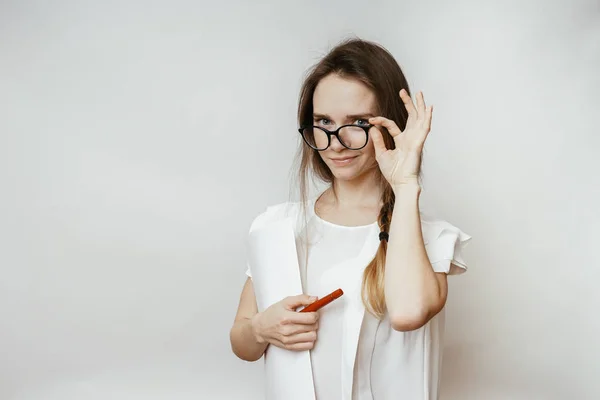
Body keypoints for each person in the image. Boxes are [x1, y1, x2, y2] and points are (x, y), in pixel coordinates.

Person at [229, 37, 471, 400]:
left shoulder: (429, 239)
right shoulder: (277, 228)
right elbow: (243, 341)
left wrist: (404, 185)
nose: (335, 142)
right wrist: (263, 329)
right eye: (323, 121)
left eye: (357, 122)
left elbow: (408, 313)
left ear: (391, 125)